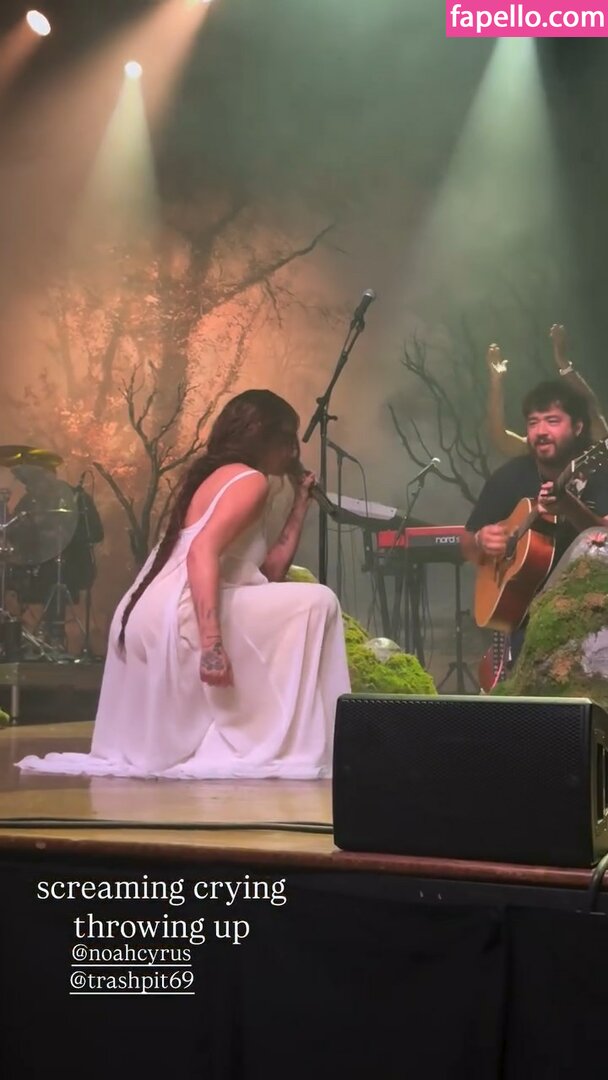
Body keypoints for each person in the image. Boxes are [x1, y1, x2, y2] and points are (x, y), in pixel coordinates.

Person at [17, 389, 351, 780]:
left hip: (155, 612)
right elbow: (200, 553)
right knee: (319, 602)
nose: (294, 451)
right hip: (180, 614)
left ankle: (269, 733)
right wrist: (212, 646)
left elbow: (269, 574)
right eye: (287, 438)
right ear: (261, 434)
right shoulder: (250, 480)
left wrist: (299, 505)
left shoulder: (224, 477)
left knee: (306, 601)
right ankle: (289, 742)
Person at [462, 379, 608, 664]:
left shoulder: (599, 471)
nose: (541, 432)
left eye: (552, 421)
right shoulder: (509, 477)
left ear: (578, 427)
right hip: (525, 619)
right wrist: (480, 541)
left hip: (594, 611)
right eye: (533, 423)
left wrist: (570, 507)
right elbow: (467, 541)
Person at [484, 324, 608, 459]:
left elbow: (589, 406)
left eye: (553, 420)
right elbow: (501, 440)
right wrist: (496, 382)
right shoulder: (542, 444)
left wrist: (563, 363)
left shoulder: (591, 440)